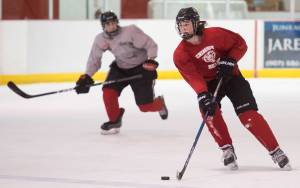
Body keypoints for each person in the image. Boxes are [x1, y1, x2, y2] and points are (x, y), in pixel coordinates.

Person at [173, 7, 291, 170]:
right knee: (208, 112)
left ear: (195, 23)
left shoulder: (216, 34)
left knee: (248, 116)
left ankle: (275, 150)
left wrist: (230, 60)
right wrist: (202, 94)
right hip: (209, 83)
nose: (183, 28)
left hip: (232, 77)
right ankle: (227, 149)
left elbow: (240, 44)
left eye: (186, 24)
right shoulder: (180, 54)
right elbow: (193, 77)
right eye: (180, 25)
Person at [75, 11, 168, 135]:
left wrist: (150, 60)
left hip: (141, 68)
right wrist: (87, 76)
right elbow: (94, 59)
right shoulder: (100, 39)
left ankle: (160, 104)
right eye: (108, 24)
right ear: (103, 26)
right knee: (108, 91)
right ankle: (114, 120)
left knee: (145, 106)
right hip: (120, 68)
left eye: (113, 23)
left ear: (117, 22)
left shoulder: (130, 31)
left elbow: (150, 45)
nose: (111, 26)